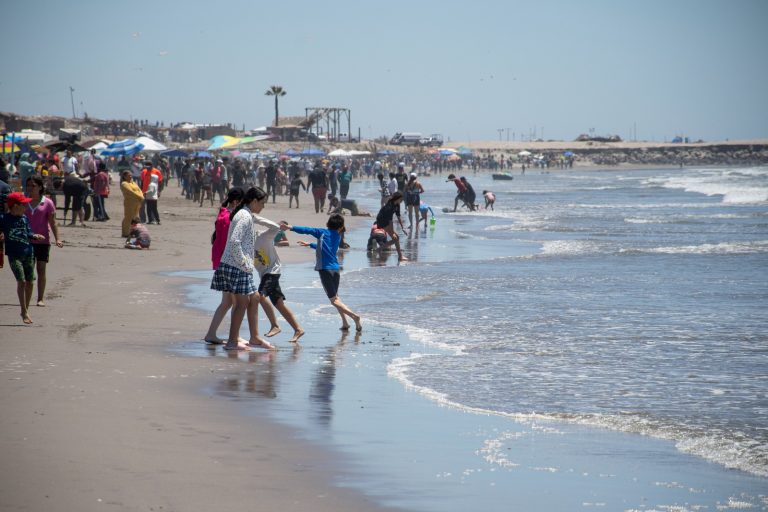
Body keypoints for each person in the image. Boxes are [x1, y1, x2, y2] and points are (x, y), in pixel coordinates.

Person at [210, 187, 274, 351]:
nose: (263, 206)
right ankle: (232, 342)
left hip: (237, 265)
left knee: (255, 298)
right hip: (236, 266)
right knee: (241, 303)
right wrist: (245, 262)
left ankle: (254, 338)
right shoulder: (244, 216)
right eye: (262, 203)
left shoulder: (245, 214)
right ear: (253, 201)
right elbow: (234, 241)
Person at [282, 214, 362, 332]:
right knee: (336, 298)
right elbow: (326, 248)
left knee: (333, 300)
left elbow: (307, 230)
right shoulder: (338, 236)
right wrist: (310, 244)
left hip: (325, 269)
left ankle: (354, 316)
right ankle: (345, 323)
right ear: (340, 227)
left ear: (328, 224)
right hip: (335, 269)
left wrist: (290, 227)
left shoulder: (322, 232)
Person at [251, 198, 305, 343]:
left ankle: (275, 325)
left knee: (259, 296)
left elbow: (275, 227)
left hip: (272, 271)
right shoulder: (245, 245)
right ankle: (298, 329)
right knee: (278, 303)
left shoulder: (262, 237)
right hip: (266, 273)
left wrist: (256, 218)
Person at [204, 187, 244, 345]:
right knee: (236, 302)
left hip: (220, 261)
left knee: (228, 301)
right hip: (227, 263)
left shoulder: (223, 214)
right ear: (236, 202)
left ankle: (213, 333)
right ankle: (233, 336)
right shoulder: (229, 218)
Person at [0, 192, 46, 324]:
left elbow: (28, 232)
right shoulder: (4, 218)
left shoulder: (24, 218)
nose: (26, 206)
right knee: (22, 282)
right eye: (23, 204)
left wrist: (35, 235)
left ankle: (25, 309)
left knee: (30, 282)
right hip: (14, 255)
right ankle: (24, 311)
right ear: (15, 206)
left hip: (28, 253)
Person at [24, 176, 63, 307]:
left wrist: (58, 238)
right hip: (26, 240)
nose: (30, 188)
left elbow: (52, 222)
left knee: (41, 269)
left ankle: (40, 298)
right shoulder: (24, 202)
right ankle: (26, 296)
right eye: (28, 185)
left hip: (43, 241)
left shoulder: (47, 202)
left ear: (40, 187)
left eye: (33, 185)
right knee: (28, 270)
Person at [375, 191, 408, 261]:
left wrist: (403, 228)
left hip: (387, 220)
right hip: (382, 220)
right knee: (395, 238)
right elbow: (390, 221)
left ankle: (380, 249)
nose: (402, 200)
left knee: (396, 238)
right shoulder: (390, 206)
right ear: (397, 198)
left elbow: (398, 216)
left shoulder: (397, 205)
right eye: (401, 199)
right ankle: (400, 256)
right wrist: (392, 232)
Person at [120, 171, 144, 238]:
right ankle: (125, 233)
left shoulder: (133, 183)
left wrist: (141, 196)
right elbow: (130, 192)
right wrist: (139, 196)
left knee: (135, 217)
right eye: (129, 175)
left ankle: (133, 231)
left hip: (137, 202)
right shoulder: (124, 183)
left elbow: (139, 190)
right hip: (129, 202)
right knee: (128, 217)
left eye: (131, 175)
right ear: (124, 176)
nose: (130, 176)